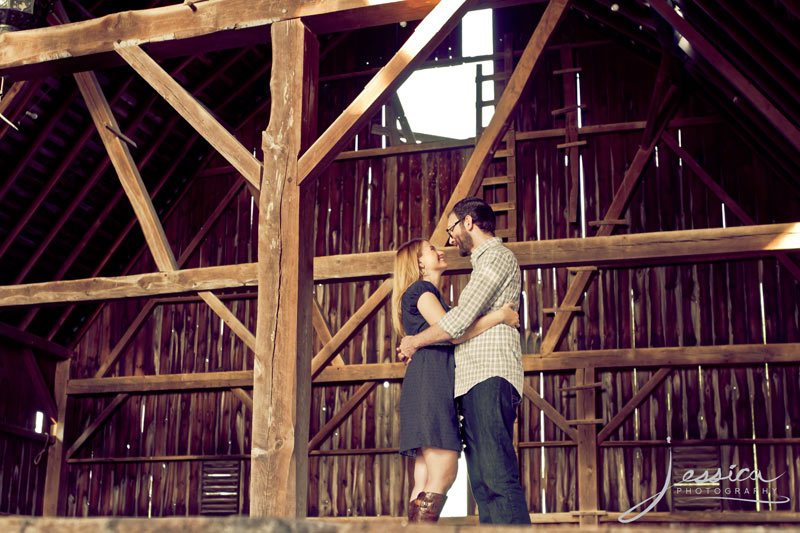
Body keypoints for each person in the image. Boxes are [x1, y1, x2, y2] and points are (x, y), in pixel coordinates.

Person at [397, 197, 531, 525]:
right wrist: (498, 316)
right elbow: (456, 325)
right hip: (467, 383)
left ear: (468, 223)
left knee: (494, 476)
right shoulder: (433, 288)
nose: (450, 238)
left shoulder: (494, 259)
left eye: (451, 229)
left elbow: (455, 326)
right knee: (483, 481)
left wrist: (414, 340)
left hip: (489, 375)